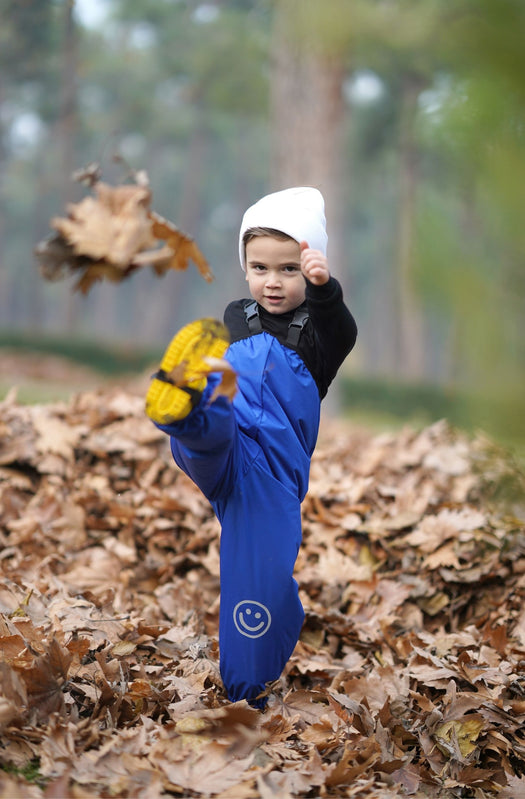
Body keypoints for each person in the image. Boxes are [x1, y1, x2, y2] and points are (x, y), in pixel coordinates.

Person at [145, 187, 357, 707]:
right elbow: (247, 350)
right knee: (210, 430)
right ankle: (188, 406)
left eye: (289, 270)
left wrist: (325, 287)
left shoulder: (321, 335)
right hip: (231, 437)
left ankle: (247, 694)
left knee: (258, 581)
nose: (273, 282)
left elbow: (343, 330)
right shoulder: (239, 314)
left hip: (270, 478)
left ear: (307, 272)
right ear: (244, 267)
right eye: (260, 267)